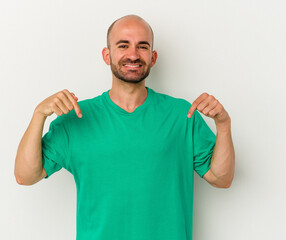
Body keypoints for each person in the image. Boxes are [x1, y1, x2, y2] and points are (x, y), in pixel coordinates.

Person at [14, 14, 235, 240]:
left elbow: (221, 178)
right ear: (106, 55)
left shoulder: (182, 115)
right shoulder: (76, 118)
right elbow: (25, 176)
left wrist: (223, 124)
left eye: (142, 46)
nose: (133, 54)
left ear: (153, 57)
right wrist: (39, 115)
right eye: (123, 45)